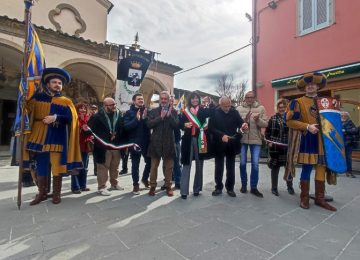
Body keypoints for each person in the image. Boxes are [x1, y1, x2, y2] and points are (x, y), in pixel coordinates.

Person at [23, 67, 82, 205]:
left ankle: (56, 194)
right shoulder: (36, 98)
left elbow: (71, 119)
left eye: (60, 83)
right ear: (48, 83)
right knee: (41, 167)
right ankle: (42, 193)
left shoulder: (66, 101)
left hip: (57, 137)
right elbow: (27, 112)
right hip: (38, 137)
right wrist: (23, 101)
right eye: (54, 82)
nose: (57, 84)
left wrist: (55, 117)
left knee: (57, 167)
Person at [285, 72, 337, 211]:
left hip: (324, 141)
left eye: (313, 84)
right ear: (304, 87)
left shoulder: (326, 103)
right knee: (307, 169)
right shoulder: (297, 102)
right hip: (308, 139)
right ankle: (304, 198)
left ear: (318, 86)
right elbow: (289, 121)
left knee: (321, 168)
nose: (310, 86)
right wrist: (307, 126)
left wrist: (340, 117)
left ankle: (320, 198)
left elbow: (332, 121)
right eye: (308, 85)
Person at [210, 96, 248, 197]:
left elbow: (240, 122)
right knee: (219, 167)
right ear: (220, 104)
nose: (227, 108)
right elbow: (211, 128)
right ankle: (218, 187)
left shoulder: (234, 112)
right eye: (225, 106)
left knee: (231, 167)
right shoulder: (214, 112)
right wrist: (221, 135)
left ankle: (230, 188)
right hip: (219, 143)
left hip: (231, 143)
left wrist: (243, 125)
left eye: (229, 106)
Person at [179, 92, 214, 199]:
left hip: (200, 140)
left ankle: (197, 189)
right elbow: (179, 124)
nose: (195, 100)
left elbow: (212, 114)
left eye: (196, 99)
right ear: (190, 100)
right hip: (188, 140)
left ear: (199, 100)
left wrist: (211, 103)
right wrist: (183, 125)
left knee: (200, 164)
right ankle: (184, 191)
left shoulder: (204, 110)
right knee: (186, 165)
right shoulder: (185, 112)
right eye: (193, 99)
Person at [87, 97, 124, 196]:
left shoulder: (119, 115)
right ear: (105, 106)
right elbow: (90, 130)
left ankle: (114, 184)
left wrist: (118, 135)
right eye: (112, 105)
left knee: (115, 167)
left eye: (115, 104)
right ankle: (102, 187)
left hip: (116, 146)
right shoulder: (97, 116)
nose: (114, 106)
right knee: (103, 167)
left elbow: (122, 128)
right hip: (103, 147)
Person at [147, 91, 179, 197]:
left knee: (169, 167)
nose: (164, 101)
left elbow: (176, 126)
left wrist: (169, 116)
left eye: (166, 99)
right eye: (162, 98)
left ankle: (168, 186)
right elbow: (149, 125)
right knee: (154, 166)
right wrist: (160, 117)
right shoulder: (153, 111)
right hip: (155, 143)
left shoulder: (174, 111)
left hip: (169, 143)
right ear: (159, 99)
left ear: (169, 100)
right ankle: (152, 186)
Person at [237, 91, 268, 197]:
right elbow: (235, 124)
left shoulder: (261, 108)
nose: (249, 99)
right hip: (243, 139)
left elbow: (266, 124)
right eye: (247, 97)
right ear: (245, 98)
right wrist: (243, 121)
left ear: (255, 98)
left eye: (251, 97)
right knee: (242, 163)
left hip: (256, 140)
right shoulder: (239, 109)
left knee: (255, 164)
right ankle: (244, 185)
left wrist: (258, 119)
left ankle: (254, 187)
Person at [265, 99, 294, 196]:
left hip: (288, 147)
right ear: (277, 108)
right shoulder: (273, 118)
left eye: (284, 107)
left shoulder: (291, 119)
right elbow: (267, 132)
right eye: (280, 107)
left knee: (289, 168)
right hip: (276, 148)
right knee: (275, 168)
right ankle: (274, 188)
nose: (281, 109)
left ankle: (290, 187)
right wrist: (268, 142)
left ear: (287, 108)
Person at [124, 93, 151, 194]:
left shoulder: (147, 111)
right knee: (135, 165)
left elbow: (150, 125)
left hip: (147, 142)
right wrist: (137, 119)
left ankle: (145, 178)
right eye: (139, 99)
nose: (141, 100)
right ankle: (136, 185)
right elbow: (126, 127)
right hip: (135, 143)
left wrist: (145, 118)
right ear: (134, 101)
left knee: (150, 162)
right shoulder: (129, 113)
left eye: (142, 99)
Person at [71, 102, 93, 194]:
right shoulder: (74, 118)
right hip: (76, 146)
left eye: (84, 108)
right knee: (76, 166)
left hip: (85, 146)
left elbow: (91, 131)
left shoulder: (88, 119)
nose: (83, 110)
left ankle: (83, 185)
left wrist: (90, 134)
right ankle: (75, 187)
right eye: (81, 108)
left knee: (84, 167)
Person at [341, 111, 358, 178]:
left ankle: (349, 172)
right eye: (342, 115)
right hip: (339, 143)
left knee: (348, 158)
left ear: (347, 116)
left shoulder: (350, 123)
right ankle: (337, 171)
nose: (343, 117)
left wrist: (345, 131)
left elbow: (355, 131)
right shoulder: (338, 123)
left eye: (345, 116)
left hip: (348, 143)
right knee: (338, 157)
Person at [89, 104, 98, 176]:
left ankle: (98, 170)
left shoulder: (98, 117)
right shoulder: (88, 117)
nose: (93, 110)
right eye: (92, 109)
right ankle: (96, 170)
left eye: (94, 109)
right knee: (95, 155)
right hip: (91, 138)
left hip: (98, 138)